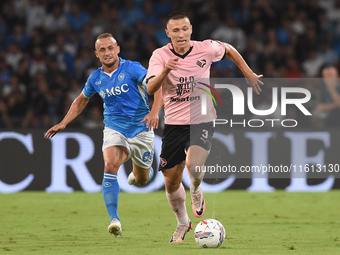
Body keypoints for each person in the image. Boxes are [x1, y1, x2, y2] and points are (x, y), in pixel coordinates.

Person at [146, 12, 263, 243]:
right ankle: (183, 223)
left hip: (202, 119)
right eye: (175, 30)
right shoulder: (160, 55)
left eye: (185, 29)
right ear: (167, 33)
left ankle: (196, 189)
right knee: (170, 182)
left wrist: (247, 72)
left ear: (191, 30)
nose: (181, 34)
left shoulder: (206, 49)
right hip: (174, 125)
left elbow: (228, 49)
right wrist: (166, 70)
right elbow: (150, 88)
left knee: (193, 165)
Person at [44, 33, 161, 237]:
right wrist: (63, 123)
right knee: (110, 165)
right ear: (96, 54)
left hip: (141, 130)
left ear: (118, 49)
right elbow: (81, 100)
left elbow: (156, 86)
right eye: (102, 50)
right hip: (114, 128)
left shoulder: (132, 68)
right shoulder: (95, 78)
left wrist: (154, 112)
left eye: (110, 48)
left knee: (142, 180)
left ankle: (142, 173)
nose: (107, 53)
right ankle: (114, 219)